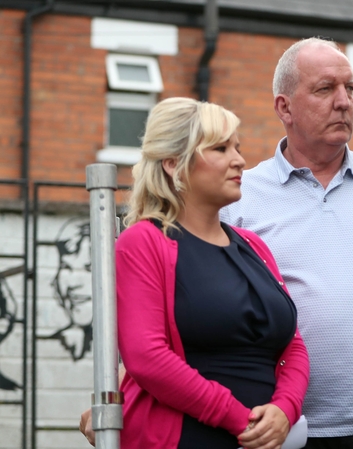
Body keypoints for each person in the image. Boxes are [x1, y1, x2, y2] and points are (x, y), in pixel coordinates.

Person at [219, 37, 353, 448]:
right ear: (284, 107)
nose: (344, 102)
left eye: (350, 88)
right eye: (325, 89)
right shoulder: (238, 197)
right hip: (280, 430)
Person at [110, 97, 309, 449]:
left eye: (237, 146)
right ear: (173, 163)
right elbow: (147, 357)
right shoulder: (143, 241)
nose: (240, 160)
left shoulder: (253, 245)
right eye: (220, 148)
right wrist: (239, 419)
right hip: (188, 438)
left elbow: (293, 343)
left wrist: (285, 408)